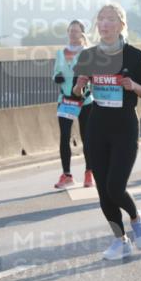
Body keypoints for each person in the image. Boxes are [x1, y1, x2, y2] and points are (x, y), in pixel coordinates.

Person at [72, 3, 141, 260]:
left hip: (125, 127)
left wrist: (133, 85)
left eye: (110, 19)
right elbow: (77, 92)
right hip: (97, 125)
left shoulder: (134, 55)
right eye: (101, 19)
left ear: (121, 24)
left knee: (115, 187)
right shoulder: (89, 56)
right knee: (102, 191)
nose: (104, 24)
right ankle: (121, 240)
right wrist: (81, 85)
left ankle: (136, 217)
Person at [52, 19, 94, 189]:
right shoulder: (60, 53)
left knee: (87, 138)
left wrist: (85, 85)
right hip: (65, 100)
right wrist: (57, 78)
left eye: (76, 31)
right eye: (70, 31)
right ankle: (67, 174)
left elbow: (92, 75)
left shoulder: (88, 53)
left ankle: (89, 173)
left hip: (85, 102)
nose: (72, 34)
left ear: (82, 34)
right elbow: (55, 73)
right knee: (64, 137)